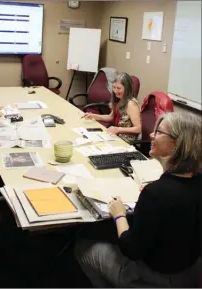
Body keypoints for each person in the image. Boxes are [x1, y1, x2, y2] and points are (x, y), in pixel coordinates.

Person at [75, 112, 201, 288]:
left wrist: (119, 215)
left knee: (83, 249)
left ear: (176, 145)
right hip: (190, 273)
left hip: (155, 277)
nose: (151, 135)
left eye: (158, 132)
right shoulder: (194, 182)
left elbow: (131, 249)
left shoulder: (155, 194)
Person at [83, 72, 141, 142]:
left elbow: (138, 128)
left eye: (119, 88)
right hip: (115, 135)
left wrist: (118, 129)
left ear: (127, 89)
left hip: (125, 140)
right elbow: (111, 117)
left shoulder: (131, 104)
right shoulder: (119, 99)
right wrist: (93, 116)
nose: (115, 91)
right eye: (114, 87)